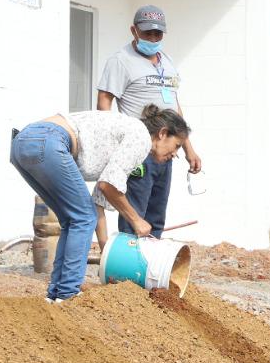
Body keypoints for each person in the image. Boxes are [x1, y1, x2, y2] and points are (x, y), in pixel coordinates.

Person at [10, 105, 191, 302]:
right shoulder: (141, 138)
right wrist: (137, 220)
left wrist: (107, 250)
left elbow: (98, 202)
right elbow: (108, 186)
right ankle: (68, 293)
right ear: (163, 133)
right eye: (177, 145)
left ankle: (56, 294)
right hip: (49, 140)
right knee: (82, 218)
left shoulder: (124, 143)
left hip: (23, 143)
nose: (175, 154)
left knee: (72, 219)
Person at [96, 5, 201, 239]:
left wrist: (188, 148)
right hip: (139, 149)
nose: (153, 38)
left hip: (166, 148)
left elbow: (175, 105)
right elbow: (104, 102)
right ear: (134, 31)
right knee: (135, 213)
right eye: (147, 33)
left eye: (158, 34)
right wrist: (110, 145)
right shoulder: (121, 61)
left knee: (156, 214)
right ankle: (128, 268)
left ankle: (151, 265)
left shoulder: (167, 62)